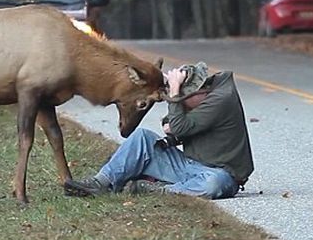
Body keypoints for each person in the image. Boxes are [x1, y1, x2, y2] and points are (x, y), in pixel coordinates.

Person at [64, 62, 254, 199]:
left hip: (221, 173)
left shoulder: (221, 100)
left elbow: (178, 126)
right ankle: (101, 183)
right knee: (142, 137)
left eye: (182, 99)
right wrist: (176, 114)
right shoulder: (203, 98)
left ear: (200, 92)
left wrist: (174, 94)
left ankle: (159, 190)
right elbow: (171, 124)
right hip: (188, 166)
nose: (180, 102)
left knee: (214, 184)